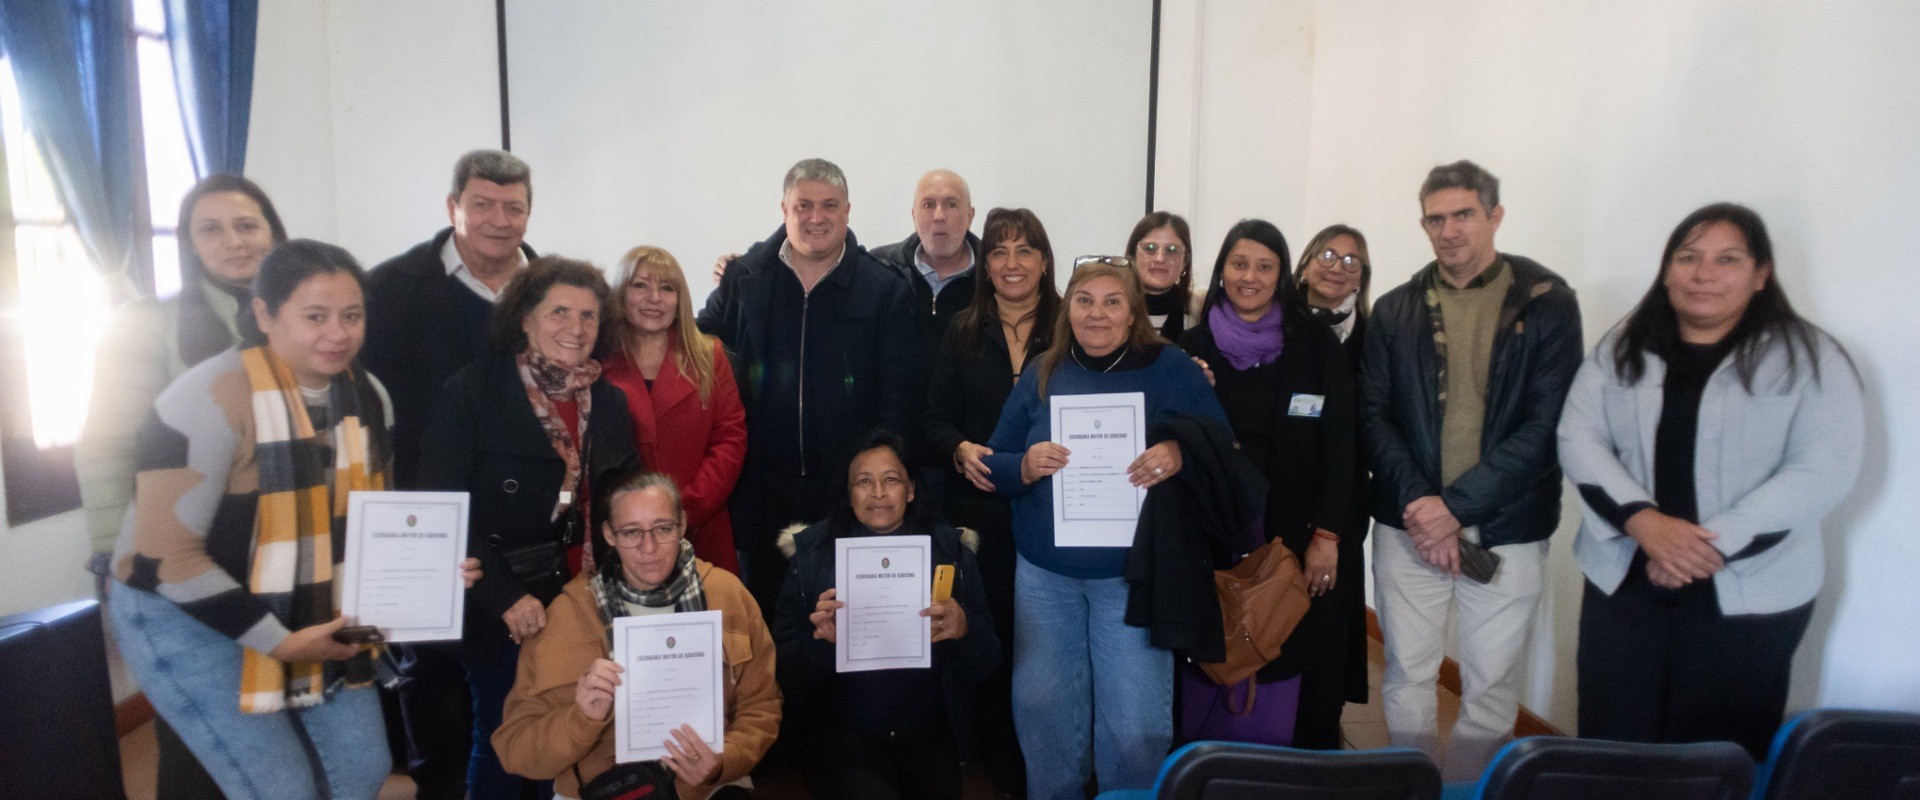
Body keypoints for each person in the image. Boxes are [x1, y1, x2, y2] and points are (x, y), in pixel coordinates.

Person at [105, 239, 479, 799]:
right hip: (183, 612)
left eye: (352, 316)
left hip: (312, 611)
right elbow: (165, 559)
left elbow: (375, 520)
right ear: (264, 313)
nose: (338, 333)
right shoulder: (205, 397)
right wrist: (280, 642)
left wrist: (430, 570)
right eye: (315, 316)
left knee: (364, 770)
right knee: (280, 788)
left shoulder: (369, 396)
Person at [1558, 203, 1863, 759]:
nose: (1703, 274)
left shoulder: (1811, 359)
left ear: (1761, 274)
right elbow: (1579, 438)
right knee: (1610, 744)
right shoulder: (1624, 346)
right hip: (1625, 580)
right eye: (1688, 257)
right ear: (1667, 268)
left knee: (1718, 753)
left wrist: (1698, 546)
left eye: (1727, 259)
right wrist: (1645, 524)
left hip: (1750, 593)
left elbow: (1821, 469)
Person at [1361, 160, 1583, 780]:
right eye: (1436, 218)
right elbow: (1374, 417)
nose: (1449, 230)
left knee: (1489, 688)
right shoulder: (1395, 309)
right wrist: (1424, 508)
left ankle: (1462, 792)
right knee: (1409, 675)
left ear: (1495, 216)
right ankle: (1410, 788)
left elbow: (1547, 426)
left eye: (1463, 215)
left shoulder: (1547, 303)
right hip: (1409, 528)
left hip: (1507, 528)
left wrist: (1456, 508)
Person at [981, 259, 1226, 799]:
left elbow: (1221, 446)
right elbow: (992, 461)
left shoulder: (1171, 368)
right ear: (1068, 308)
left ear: (1134, 311)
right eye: (1085, 300)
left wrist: (1179, 451)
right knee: (1043, 712)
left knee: (1135, 723)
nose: (1097, 313)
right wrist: (1020, 466)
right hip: (1045, 578)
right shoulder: (1044, 370)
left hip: (1133, 579)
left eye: (1112, 301)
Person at [77, 173, 288, 800]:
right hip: (187, 558)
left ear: (275, 232)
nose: (234, 242)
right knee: (203, 732)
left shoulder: (303, 318)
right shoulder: (146, 324)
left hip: (284, 553)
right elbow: (106, 444)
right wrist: (120, 554)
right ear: (189, 244)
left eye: (248, 225)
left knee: (284, 728)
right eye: (211, 228)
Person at [416, 257, 640, 800]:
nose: (576, 327)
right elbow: (440, 508)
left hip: (583, 595)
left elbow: (624, 498)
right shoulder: (472, 391)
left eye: (588, 315)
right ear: (524, 317)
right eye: (559, 311)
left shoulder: (608, 401)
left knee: (569, 738)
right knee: (506, 743)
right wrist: (503, 595)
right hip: (503, 600)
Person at [362, 148, 536, 799]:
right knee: (431, 679)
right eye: (483, 204)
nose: (498, 220)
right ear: (453, 208)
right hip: (427, 519)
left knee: (516, 681)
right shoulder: (389, 291)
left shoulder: (547, 290)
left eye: (513, 207)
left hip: (522, 532)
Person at [696, 157, 919, 617]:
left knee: (842, 625)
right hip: (759, 491)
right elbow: (695, 343)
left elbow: (898, 401)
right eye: (804, 206)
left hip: (844, 492)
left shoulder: (883, 289)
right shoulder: (746, 278)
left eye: (829, 205)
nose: (816, 217)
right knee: (765, 621)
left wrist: (875, 481)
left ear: (848, 211)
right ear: (784, 209)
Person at [1179, 219, 1361, 749]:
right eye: (1238, 264)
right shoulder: (1191, 349)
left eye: (1264, 266)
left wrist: (1327, 535)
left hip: (1294, 534)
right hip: (1211, 534)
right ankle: (1212, 756)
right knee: (1214, 652)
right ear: (1221, 271)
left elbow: (1341, 446)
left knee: (1290, 652)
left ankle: (1283, 761)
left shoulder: (1316, 347)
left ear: (1283, 274)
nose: (1249, 277)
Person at [493, 471, 779, 800]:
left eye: (663, 528)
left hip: (707, 787)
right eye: (631, 532)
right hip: (604, 788)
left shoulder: (727, 594)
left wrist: (723, 761)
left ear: (682, 525)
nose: (649, 547)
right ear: (609, 534)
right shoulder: (567, 615)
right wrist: (582, 718)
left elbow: (762, 707)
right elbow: (515, 750)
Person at [772, 430, 1000, 800]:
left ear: (911, 490)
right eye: (864, 481)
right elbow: (780, 671)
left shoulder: (950, 551)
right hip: (842, 734)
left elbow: (987, 663)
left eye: (891, 480)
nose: (878, 492)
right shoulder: (811, 554)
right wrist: (820, 643)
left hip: (928, 731)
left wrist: (965, 628)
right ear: (849, 493)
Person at [922, 207, 1059, 796]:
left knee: (1044, 641)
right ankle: (998, 760)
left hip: (1052, 506)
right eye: (999, 250)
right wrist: (957, 450)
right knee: (990, 632)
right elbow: (931, 418)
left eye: (1024, 250)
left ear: (1045, 261)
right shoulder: (962, 328)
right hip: (977, 511)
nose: (1010, 263)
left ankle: (1048, 757)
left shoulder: (1072, 327)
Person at [601, 246, 747, 572]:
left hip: (699, 525)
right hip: (627, 534)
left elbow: (730, 437)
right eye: (640, 286)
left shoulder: (710, 355)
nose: (655, 298)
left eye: (667, 288)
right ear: (620, 294)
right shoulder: (596, 362)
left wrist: (686, 510)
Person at [1287, 223, 1377, 743]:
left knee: (1327, 629)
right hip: (1281, 501)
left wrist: (1332, 529)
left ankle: (1318, 743)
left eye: (1352, 260)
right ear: (1303, 263)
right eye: (1326, 253)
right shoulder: (1275, 325)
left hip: (1341, 507)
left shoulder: (1372, 337)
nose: (1337, 266)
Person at [868, 169, 983, 365]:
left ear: (969, 216)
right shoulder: (880, 269)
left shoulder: (993, 275)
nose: (939, 216)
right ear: (914, 215)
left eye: (951, 204)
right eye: (928, 205)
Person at [1125, 211, 1203, 342]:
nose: (1160, 259)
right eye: (1150, 248)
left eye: (1172, 250)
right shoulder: (1113, 305)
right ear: (1133, 256)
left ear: (1185, 260)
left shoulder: (1198, 311)